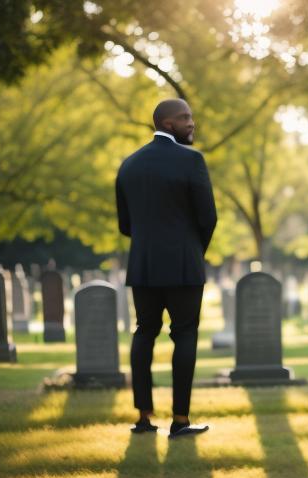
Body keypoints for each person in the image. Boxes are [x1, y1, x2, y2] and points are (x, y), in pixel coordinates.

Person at [115, 98, 217, 438]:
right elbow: (208, 218)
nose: (192, 123)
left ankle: (144, 418)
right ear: (167, 123)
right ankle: (180, 421)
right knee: (184, 334)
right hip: (184, 266)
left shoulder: (129, 165)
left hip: (143, 266)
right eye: (185, 117)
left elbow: (125, 225)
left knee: (144, 332)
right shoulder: (191, 160)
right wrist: (192, 250)